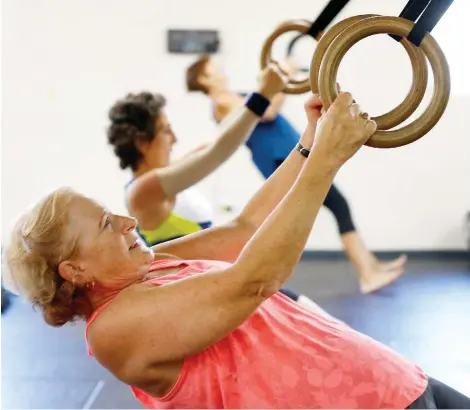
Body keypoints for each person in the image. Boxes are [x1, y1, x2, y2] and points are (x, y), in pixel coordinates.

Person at [5, 91, 470, 409]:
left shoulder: (154, 265)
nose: (127, 221)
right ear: (76, 269)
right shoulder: (113, 333)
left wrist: (309, 144)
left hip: (392, 380)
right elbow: (252, 280)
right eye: (108, 224)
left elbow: (246, 228)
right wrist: (327, 161)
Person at [106, 63, 333, 318]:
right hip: (204, 297)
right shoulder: (142, 193)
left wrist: (261, 93)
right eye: (166, 130)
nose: (174, 139)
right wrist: (262, 97)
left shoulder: (168, 175)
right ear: (141, 142)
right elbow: (218, 152)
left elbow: (219, 141)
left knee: (321, 321)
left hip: (222, 278)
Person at [186, 55, 407, 294]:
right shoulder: (223, 101)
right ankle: (367, 274)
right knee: (337, 206)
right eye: (215, 71)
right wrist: (285, 76)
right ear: (203, 79)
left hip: (288, 156)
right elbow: (268, 110)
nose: (223, 73)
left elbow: (264, 101)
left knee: (339, 206)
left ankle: (371, 267)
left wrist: (278, 82)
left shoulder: (233, 97)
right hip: (280, 160)